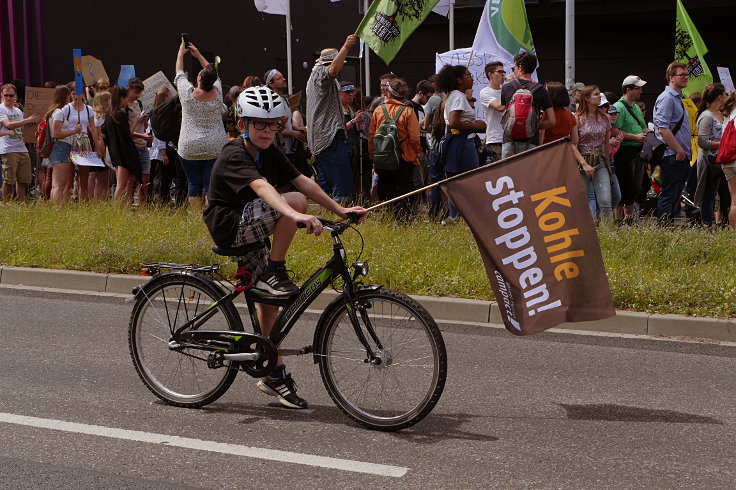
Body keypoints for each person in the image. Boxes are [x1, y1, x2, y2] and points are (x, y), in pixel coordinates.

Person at [203, 86, 366, 409]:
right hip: (230, 228)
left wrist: (340, 210)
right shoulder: (234, 153)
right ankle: (275, 270)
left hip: (252, 224)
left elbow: (304, 180)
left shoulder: (270, 150)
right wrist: (294, 213)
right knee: (292, 200)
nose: (266, 131)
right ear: (242, 125)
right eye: (258, 124)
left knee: (268, 299)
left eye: (273, 124)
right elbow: (263, 188)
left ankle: (273, 372)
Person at [175, 40, 228, 208]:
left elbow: (179, 72)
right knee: (211, 183)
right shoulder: (218, 92)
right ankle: (211, 216)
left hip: (189, 145)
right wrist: (198, 54)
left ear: (198, 78)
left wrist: (180, 53)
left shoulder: (187, 95)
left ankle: (195, 218)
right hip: (215, 145)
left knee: (194, 183)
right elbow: (214, 72)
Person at [306, 35, 357, 203]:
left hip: (321, 137)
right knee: (342, 180)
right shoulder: (321, 73)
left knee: (325, 183)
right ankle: (341, 216)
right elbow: (332, 71)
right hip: (328, 136)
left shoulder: (313, 76)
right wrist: (346, 48)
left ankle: (326, 217)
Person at [437, 64, 486, 223]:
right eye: (468, 75)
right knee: (469, 182)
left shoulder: (453, 95)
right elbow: (454, 122)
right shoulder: (458, 96)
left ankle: (455, 217)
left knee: (456, 183)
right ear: (459, 80)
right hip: (464, 143)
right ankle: (467, 218)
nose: (472, 78)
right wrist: (476, 125)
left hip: (456, 143)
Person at [368, 78, 421, 219]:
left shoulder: (379, 110)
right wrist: (415, 152)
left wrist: (372, 154)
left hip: (383, 155)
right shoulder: (408, 111)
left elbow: (372, 135)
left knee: (385, 187)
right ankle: (403, 218)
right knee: (405, 188)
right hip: (404, 155)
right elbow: (415, 137)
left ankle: (388, 216)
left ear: (389, 93)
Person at [653, 62, 692, 223]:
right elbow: (662, 128)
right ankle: (662, 231)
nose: (685, 77)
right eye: (681, 75)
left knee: (676, 195)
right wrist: (679, 150)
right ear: (671, 78)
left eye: (686, 74)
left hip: (680, 154)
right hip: (673, 154)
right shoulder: (667, 98)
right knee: (669, 195)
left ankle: (668, 228)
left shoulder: (679, 98)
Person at [500, 51, 555, 158]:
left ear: (520, 68)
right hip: (531, 141)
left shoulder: (506, 88)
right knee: (529, 174)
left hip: (509, 141)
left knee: (508, 174)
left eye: (514, 68)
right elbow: (552, 121)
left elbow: (505, 112)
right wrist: (533, 126)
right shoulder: (541, 90)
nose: (514, 70)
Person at [611, 75, 648, 225]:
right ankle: (621, 221)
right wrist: (634, 137)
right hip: (624, 152)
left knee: (636, 187)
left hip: (637, 152)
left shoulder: (635, 106)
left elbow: (643, 126)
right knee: (625, 187)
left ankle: (629, 220)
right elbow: (614, 130)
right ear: (628, 89)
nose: (641, 91)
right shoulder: (619, 107)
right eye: (637, 88)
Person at [48, 87, 93, 202]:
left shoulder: (88, 109)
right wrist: (74, 131)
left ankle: (78, 203)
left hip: (82, 141)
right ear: (67, 96)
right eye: (71, 94)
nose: (75, 97)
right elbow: (56, 132)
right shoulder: (62, 110)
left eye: (77, 94)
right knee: (64, 181)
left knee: (82, 178)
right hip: (67, 143)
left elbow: (93, 128)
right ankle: (61, 206)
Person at [576, 85, 613, 223]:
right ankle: (584, 233)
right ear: (586, 98)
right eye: (596, 94)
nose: (599, 97)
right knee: (582, 201)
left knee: (605, 201)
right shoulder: (577, 118)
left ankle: (608, 236)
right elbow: (572, 144)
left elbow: (606, 143)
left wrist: (608, 163)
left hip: (600, 161)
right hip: (582, 162)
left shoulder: (605, 118)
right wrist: (584, 164)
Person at [693, 83, 728, 226]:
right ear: (719, 97)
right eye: (725, 95)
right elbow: (702, 141)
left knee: (724, 195)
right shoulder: (706, 116)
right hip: (710, 161)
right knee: (709, 195)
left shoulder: (720, 114)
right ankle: (707, 224)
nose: (726, 97)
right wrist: (723, 144)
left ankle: (724, 222)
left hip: (722, 160)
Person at [0, 83, 40, 202]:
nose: (8, 98)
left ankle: (21, 204)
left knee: (23, 179)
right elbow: (8, 125)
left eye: (11, 95)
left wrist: (32, 129)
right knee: (9, 180)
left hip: (21, 147)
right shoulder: (1, 108)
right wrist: (28, 120)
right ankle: (6, 205)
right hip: (8, 148)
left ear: (16, 96)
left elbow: (22, 129)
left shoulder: (18, 110)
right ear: (1, 95)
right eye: (5, 95)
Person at [104, 86, 141, 204]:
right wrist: (136, 122)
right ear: (121, 99)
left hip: (114, 151)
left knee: (122, 183)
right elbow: (128, 133)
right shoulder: (120, 114)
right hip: (123, 152)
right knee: (121, 184)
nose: (127, 102)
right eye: (125, 99)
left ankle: (123, 208)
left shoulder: (109, 115)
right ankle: (118, 210)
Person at [126, 78, 154, 204]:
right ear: (129, 89)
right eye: (135, 92)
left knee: (145, 177)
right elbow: (127, 131)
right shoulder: (124, 105)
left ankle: (143, 206)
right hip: (132, 145)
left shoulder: (139, 103)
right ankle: (128, 204)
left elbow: (144, 125)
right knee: (131, 178)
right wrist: (141, 135)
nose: (137, 95)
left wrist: (144, 121)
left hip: (143, 145)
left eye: (139, 93)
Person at [338, 81, 366, 200]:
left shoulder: (351, 109)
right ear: (339, 94)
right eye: (347, 93)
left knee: (353, 178)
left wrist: (360, 127)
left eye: (352, 93)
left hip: (354, 148)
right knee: (343, 178)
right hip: (343, 148)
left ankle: (352, 201)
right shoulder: (337, 110)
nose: (351, 95)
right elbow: (340, 129)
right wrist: (354, 121)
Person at [479, 61, 506, 161]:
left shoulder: (505, 90)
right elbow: (500, 107)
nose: (503, 74)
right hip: (496, 139)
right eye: (499, 72)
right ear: (490, 74)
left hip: (511, 138)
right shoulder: (485, 92)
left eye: (503, 72)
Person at [90, 91, 112, 200]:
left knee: (107, 179)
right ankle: (100, 202)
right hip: (102, 148)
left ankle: (104, 200)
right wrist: (103, 154)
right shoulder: (98, 117)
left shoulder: (106, 115)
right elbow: (99, 137)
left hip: (108, 146)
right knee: (102, 179)